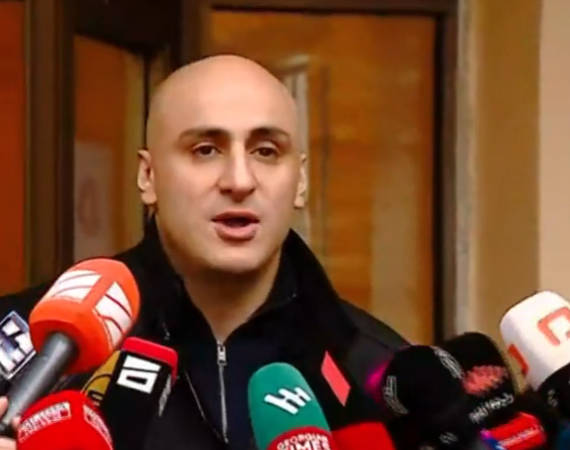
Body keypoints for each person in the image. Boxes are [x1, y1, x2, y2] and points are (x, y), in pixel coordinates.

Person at [0, 55, 408, 450]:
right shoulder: (35, 348)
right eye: (206, 150)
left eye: (266, 151)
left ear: (300, 182)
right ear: (148, 176)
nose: (239, 181)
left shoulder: (376, 370)